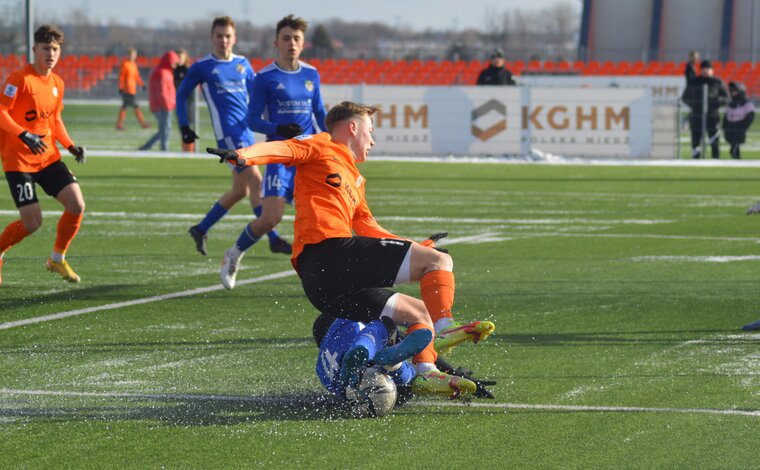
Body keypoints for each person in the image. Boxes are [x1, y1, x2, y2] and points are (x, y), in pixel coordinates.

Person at [207, 101, 496, 379]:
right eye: (371, 131)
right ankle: (446, 326)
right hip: (326, 251)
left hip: (326, 288)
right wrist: (244, 155)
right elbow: (283, 148)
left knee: (417, 311)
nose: (373, 141)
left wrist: (417, 246)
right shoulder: (321, 143)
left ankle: (426, 373)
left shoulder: (356, 180)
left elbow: (369, 227)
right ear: (354, 129)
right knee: (441, 261)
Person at [219, 14, 326, 289]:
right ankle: (233, 254)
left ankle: (325, 271)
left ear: (303, 44)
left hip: (307, 156)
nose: (292, 43)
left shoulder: (311, 74)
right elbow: (252, 120)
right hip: (280, 155)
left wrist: (332, 142)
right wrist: (278, 127)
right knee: (270, 219)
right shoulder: (265, 77)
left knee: (321, 214)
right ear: (276, 42)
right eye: (287, 38)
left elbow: (320, 114)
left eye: (297, 39)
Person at [176, 16, 287, 256]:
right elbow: (181, 94)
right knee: (256, 182)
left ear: (234, 38)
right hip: (228, 136)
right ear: (212, 38)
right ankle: (273, 237)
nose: (223, 40)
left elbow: (256, 95)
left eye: (227, 36)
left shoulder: (243, 64)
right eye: (219, 36)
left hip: (246, 131)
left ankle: (201, 228)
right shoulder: (202, 66)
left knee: (241, 190)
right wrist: (184, 125)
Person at [0, 24, 86, 285]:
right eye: (46, 48)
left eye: (56, 49)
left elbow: (55, 119)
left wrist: (70, 146)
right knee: (33, 222)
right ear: (35, 49)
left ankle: (57, 259)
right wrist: (23, 134)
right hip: (19, 160)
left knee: (76, 205)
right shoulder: (20, 79)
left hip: (48, 157)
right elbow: (1, 112)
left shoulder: (57, 83)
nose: (51, 53)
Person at [313, 313, 497, 407]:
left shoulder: (321, 367)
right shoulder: (347, 324)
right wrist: (453, 371)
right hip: (369, 358)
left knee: (406, 388)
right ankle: (422, 361)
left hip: (377, 396)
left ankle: (409, 369)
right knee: (386, 325)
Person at [680, 60, 729, 159]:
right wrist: (694, 104)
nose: (705, 71)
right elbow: (685, 97)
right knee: (695, 139)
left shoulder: (717, 82)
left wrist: (716, 101)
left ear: (712, 70)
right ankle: (695, 160)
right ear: (700, 70)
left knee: (714, 139)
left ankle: (716, 160)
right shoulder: (694, 82)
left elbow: (727, 98)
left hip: (712, 115)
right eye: (703, 69)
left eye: (708, 69)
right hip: (696, 115)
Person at [139, 51, 178, 151]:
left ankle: (147, 146)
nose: (175, 64)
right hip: (163, 106)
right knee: (165, 130)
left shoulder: (164, 71)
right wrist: (168, 105)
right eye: (173, 62)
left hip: (163, 105)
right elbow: (162, 92)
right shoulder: (163, 73)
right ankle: (163, 150)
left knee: (164, 130)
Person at [116, 47, 150, 130]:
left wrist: (142, 84)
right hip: (127, 89)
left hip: (132, 89)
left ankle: (119, 125)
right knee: (135, 106)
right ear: (128, 55)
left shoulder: (133, 64)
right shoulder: (125, 64)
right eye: (131, 55)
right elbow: (121, 77)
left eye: (134, 55)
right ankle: (142, 123)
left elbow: (136, 77)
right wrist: (120, 87)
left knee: (125, 106)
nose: (133, 56)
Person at [722, 82, 755, 159]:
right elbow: (726, 116)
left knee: (735, 146)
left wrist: (743, 125)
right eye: (731, 91)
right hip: (730, 127)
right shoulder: (731, 104)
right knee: (733, 145)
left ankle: (736, 157)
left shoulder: (746, 103)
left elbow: (750, 116)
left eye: (734, 91)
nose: (732, 93)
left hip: (739, 127)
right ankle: (736, 159)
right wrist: (725, 126)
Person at [173, 48, 196, 152]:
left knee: (189, 127)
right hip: (177, 103)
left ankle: (189, 151)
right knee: (181, 127)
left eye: (180, 57)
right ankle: (185, 150)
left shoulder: (188, 70)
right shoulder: (173, 71)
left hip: (188, 103)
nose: (179, 59)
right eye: (177, 57)